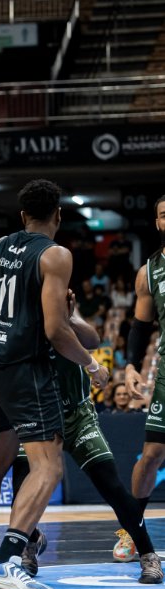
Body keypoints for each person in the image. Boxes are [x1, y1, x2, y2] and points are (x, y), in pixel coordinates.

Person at [0, 259, 160, 584]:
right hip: (36, 415)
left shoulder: (59, 299)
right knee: (22, 486)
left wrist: (69, 317)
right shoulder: (11, 318)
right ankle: (28, 546)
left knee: (111, 486)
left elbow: (92, 338)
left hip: (76, 414)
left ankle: (147, 553)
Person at [0, 180, 109, 589]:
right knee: (48, 466)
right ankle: (7, 561)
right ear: (58, 215)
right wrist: (92, 364)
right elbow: (57, 330)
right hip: (26, 370)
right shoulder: (55, 255)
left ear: (22, 215)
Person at [123, 193, 165, 562]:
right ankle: (132, 530)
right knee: (151, 454)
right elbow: (140, 325)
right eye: (164, 215)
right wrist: (131, 365)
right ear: (157, 223)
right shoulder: (149, 271)